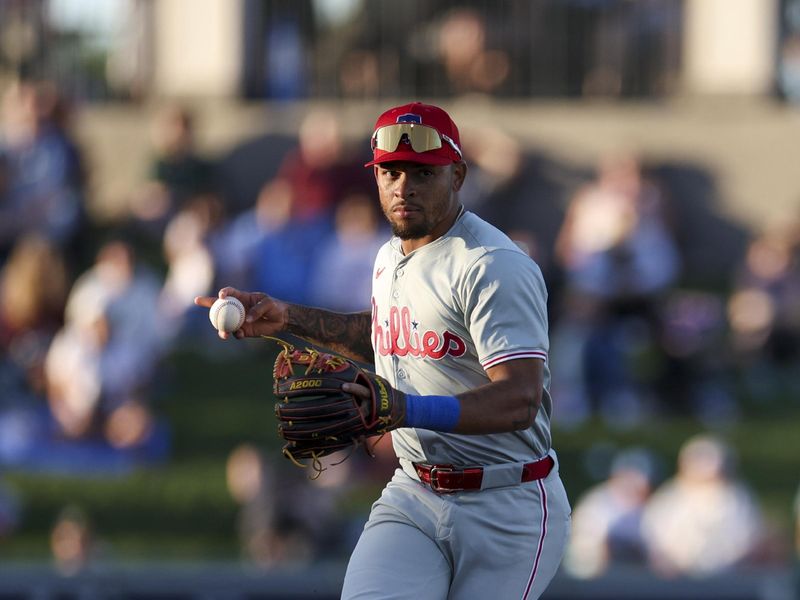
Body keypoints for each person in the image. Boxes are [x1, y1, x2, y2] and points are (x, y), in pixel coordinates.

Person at [196, 102, 570, 599]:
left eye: (422, 172)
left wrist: (405, 408)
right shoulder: (389, 253)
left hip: (507, 502)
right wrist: (288, 319)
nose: (403, 185)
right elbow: (386, 333)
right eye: (390, 171)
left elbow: (520, 398)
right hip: (415, 492)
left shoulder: (492, 264)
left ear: (457, 174)